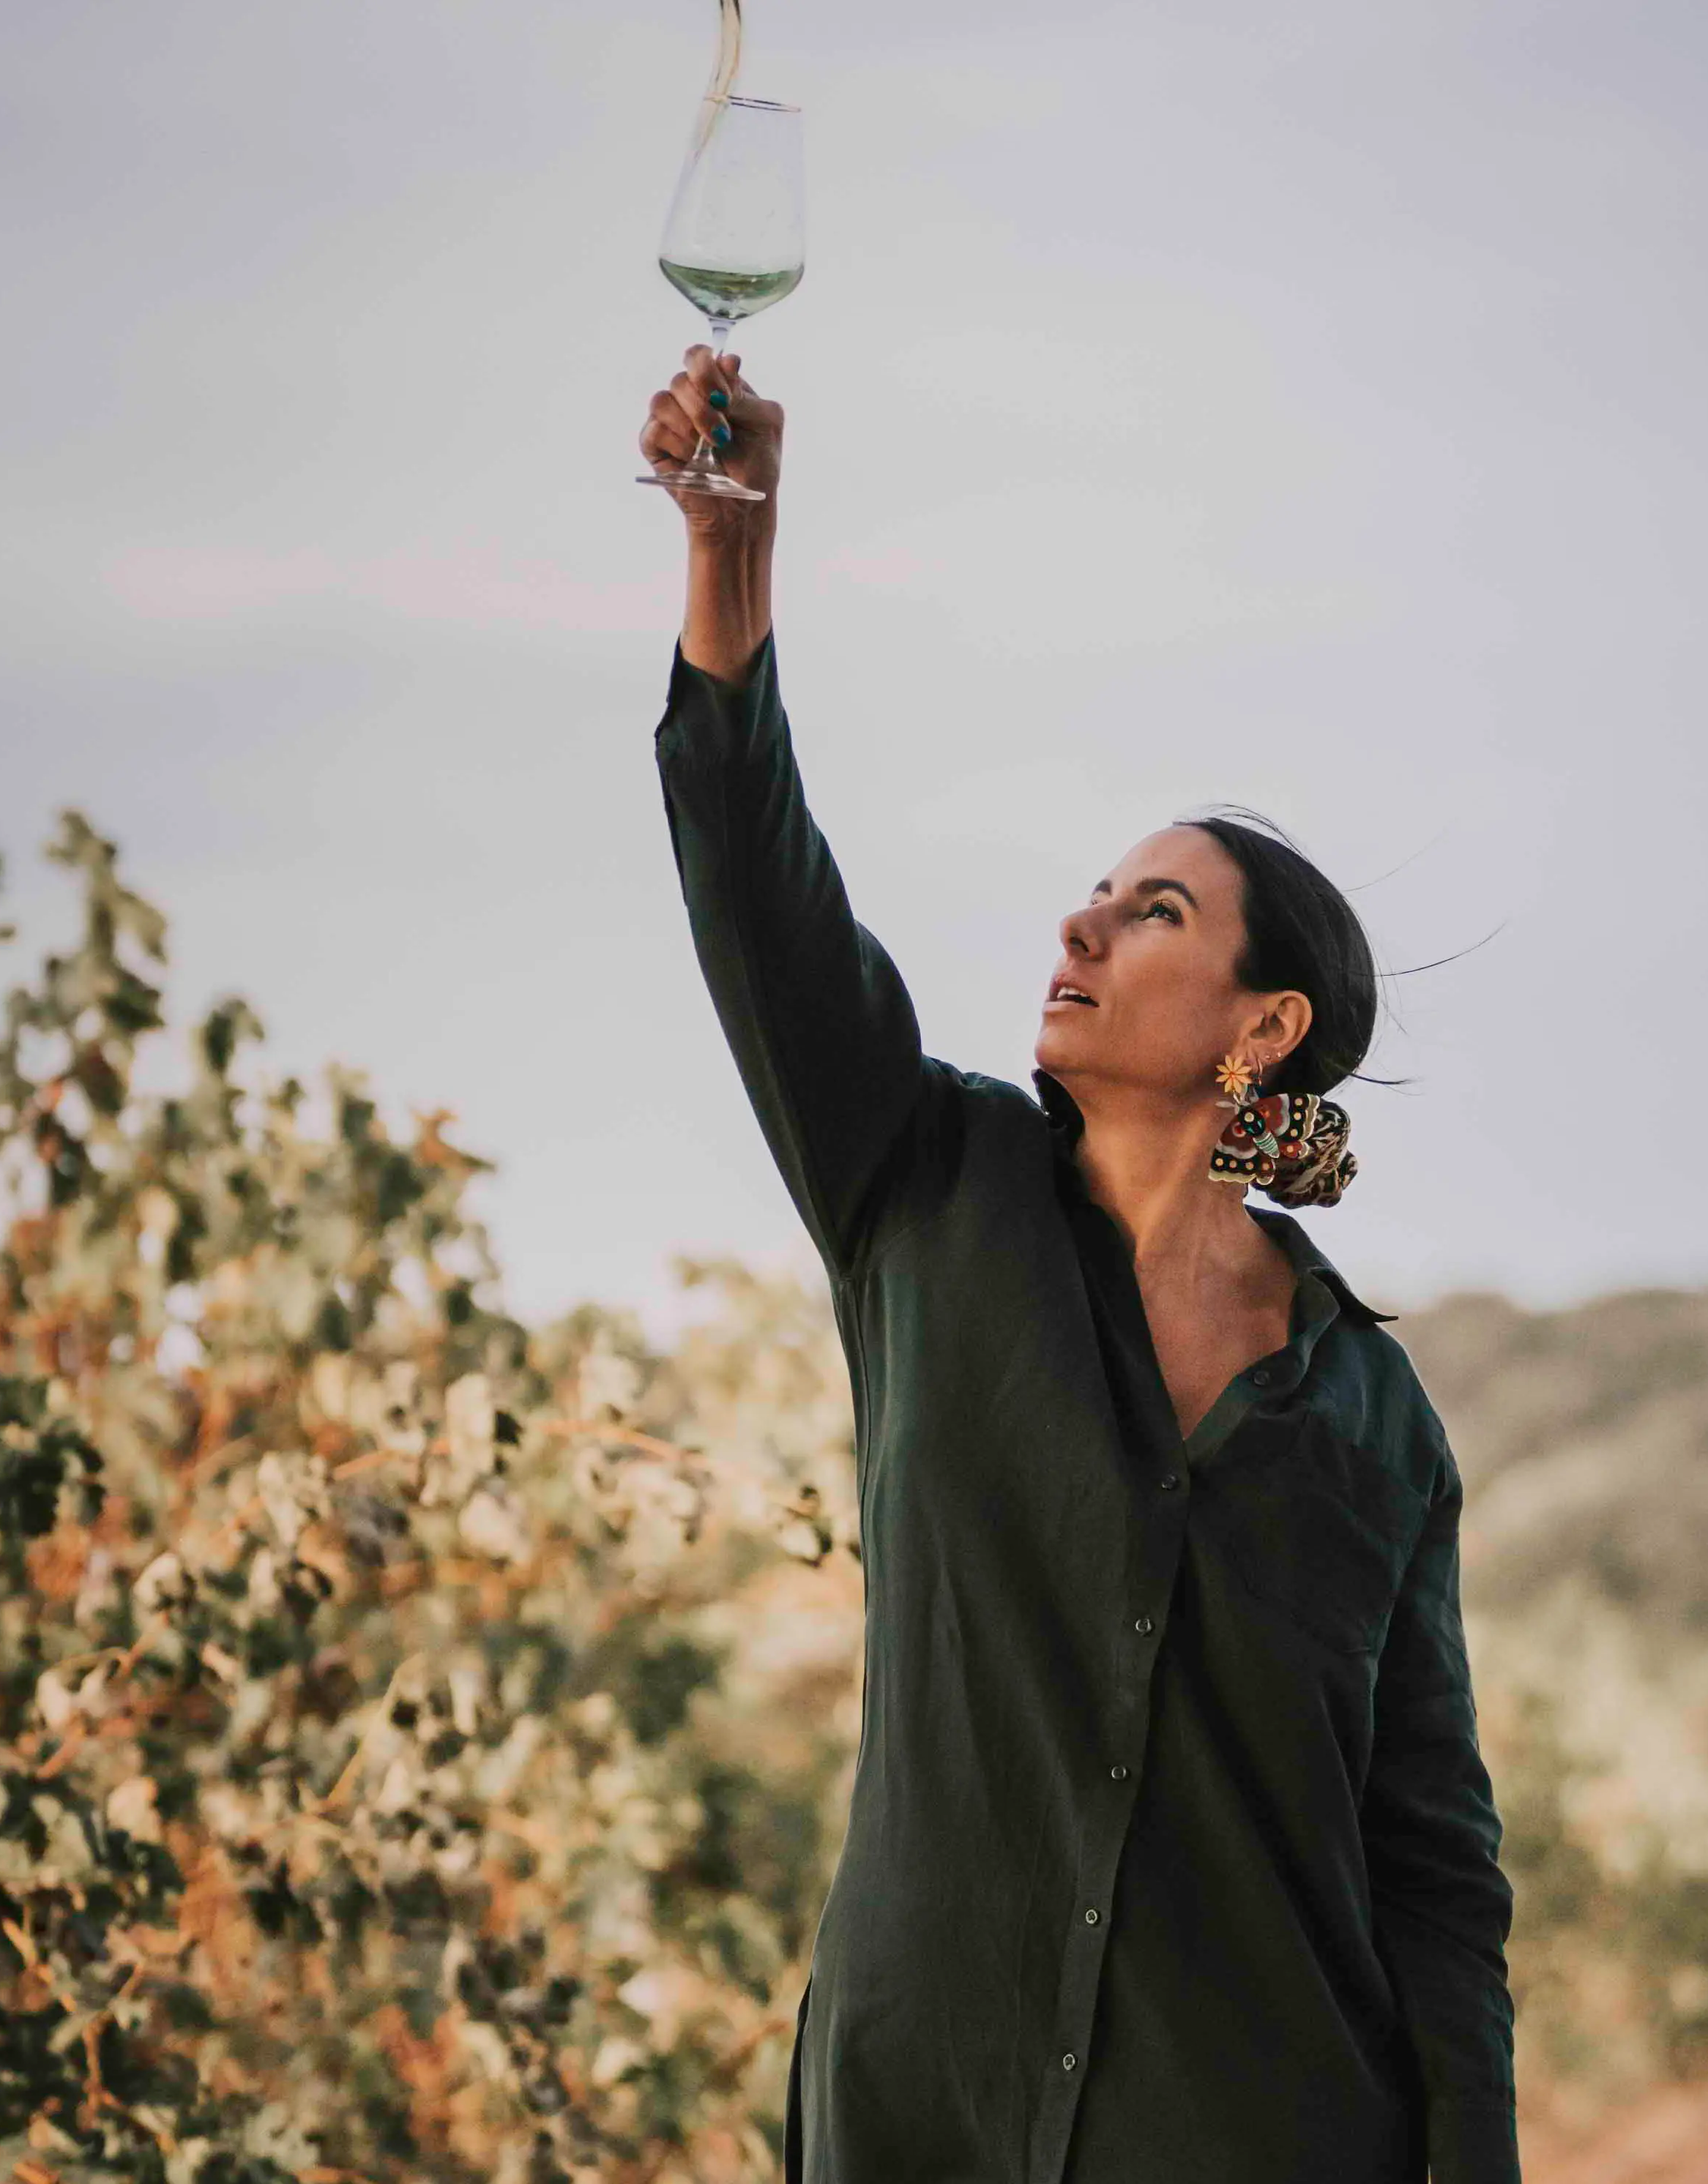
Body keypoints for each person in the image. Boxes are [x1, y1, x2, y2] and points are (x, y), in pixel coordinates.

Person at [638, 348, 1520, 2184]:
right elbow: (755, 883)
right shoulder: (923, 1189)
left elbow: (1432, 1857)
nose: (1084, 921)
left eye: (1156, 911)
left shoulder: (1369, 1418)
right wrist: (732, 557)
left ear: (1261, 1027)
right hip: (920, 2123)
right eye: (1097, 892)